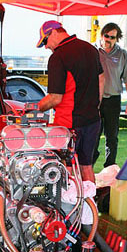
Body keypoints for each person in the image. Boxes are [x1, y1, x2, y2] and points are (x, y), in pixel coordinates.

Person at [36, 20, 105, 182]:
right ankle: (90, 198)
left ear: (54, 32)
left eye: (45, 41)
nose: (46, 47)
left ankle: (68, 199)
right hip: (92, 119)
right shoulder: (90, 49)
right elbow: (102, 79)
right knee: (86, 166)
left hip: (68, 123)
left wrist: (35, 108)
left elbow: (55, 97)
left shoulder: (58, 57)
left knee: (65, 167)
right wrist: (95, 105)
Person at [93, 22, 127, 167]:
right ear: (101, 35)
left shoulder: (122, 54)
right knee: (93, 136)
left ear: (117, 39)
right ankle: (88, 168)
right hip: (95, 100)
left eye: (112, 37)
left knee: (112, 137)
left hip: (113, 100)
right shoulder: (93, 51)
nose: (108, 40)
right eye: (106, 36)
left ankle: (110, 167)